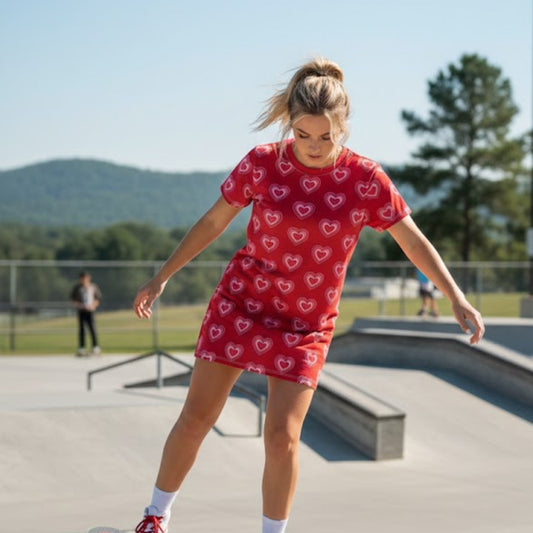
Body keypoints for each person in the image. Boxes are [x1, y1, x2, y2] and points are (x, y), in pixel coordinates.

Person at [132, 57, 484, 533]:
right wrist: (163, 276)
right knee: (196, 416)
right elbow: (215, 222)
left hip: (305, 324)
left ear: (344, 127)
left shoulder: (365, 180)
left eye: (326, 137)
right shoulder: (262, 162)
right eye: (303, 135)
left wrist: (456, 295)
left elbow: (413, 240)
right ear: (289, 125)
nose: (314, 147)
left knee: (283, 438)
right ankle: (156, 515)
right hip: (241, 305)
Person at [70, 271, 102, 356]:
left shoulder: (93, 287)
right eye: (82, 278)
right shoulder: (77, 288)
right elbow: (73, 299)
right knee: (82, 329)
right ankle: (81, 348)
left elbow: (97, 298)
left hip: (90, 310)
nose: (84, 280)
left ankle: (95, 347)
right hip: (81, 310)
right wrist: (80, 305)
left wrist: (93, 305)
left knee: (92, 328)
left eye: (85, 278)